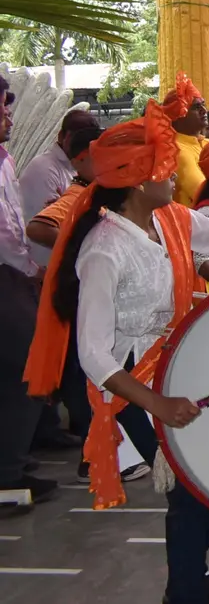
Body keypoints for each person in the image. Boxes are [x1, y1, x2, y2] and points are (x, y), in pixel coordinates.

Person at [22, 100, 209, 604]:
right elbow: (94, 355)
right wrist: (155, 403)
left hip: (180, 361)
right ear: (140, 183)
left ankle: (188, 579)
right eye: (165, 171)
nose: (174, 177)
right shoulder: (104, 249)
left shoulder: (165, 219)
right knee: (195, 485)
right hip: (137, 386)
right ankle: (183, 587)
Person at [25, 126, 103, 454]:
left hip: (81, 292)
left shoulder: (91, 193)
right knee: (77, 363)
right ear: (81, 159)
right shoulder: (76, 196)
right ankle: (89, 431)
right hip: (72, 292)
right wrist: (82, 248)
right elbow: (37, 227)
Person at [0, 75, 57, 504]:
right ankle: (9, 470)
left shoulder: (3, 157)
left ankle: (13, 460)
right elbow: (6, 231)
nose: (8, 116)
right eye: (3, 108)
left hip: (15, 272)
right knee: (25, 368)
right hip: (8, 275)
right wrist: (28, 267)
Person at [20, 108, 101, 268]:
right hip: (43, 265)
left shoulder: (80, 171)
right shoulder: (44, 167)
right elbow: (40, 228)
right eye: (77, 137)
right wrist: (86, 251)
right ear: (61, 136)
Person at [161, 73, 208, 207]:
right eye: (196, 107)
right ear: (177, 116)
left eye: (203, 105)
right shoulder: (175, 150)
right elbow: (201, 191)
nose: (204, 110)